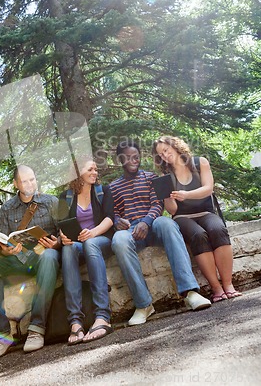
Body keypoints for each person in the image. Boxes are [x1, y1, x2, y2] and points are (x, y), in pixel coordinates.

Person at [110, 140, 211, 326]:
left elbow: (157, 204)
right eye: (128, 158)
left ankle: (190, 293)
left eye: (136, 156)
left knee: (168, 224)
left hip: (153, 225)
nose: (133, 160)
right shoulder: (113, 187)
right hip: (131, 231)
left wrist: (147, 222)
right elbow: (113, 213)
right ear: (119, 160)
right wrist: (118, 221)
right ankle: (143, 305)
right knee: (118, 241)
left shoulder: (151, 178)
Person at [0, 164, 61, 360]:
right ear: (16, 184)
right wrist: (5, 249)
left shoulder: (51, 202)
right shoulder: (7, 209)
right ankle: (1, 337)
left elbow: (65, 232)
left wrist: (57, 243)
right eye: (24, 181)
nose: (29, 184)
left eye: (32, 179)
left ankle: (36, 329)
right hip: (18, 261)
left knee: (49, 256)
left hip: (45, 259)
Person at [152, 135, 242, 303]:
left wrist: (186, 195)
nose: (164, 155)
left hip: (206, 212)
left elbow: (208, 189)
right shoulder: (165, 176)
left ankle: (228, 285)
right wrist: (169, 198)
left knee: (218, 229)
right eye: (161, 154)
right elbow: (172, 210)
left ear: (175, 145)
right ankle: (216, 288)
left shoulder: (200, 163)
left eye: (166, 150)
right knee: (198, 235)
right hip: (182, 217)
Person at [58, 157, 114, 345]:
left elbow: (109, 219)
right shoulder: (64, 197)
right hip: (78, 244)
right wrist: (63, 237)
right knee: (67, 250)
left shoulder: (103, 191)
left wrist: (93, 233)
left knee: (91, 244)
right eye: (90, 169)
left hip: (101, 240)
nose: (95, 172)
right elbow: (62, 225)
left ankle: (103, 317)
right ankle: (75, 321)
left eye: (96, 169)